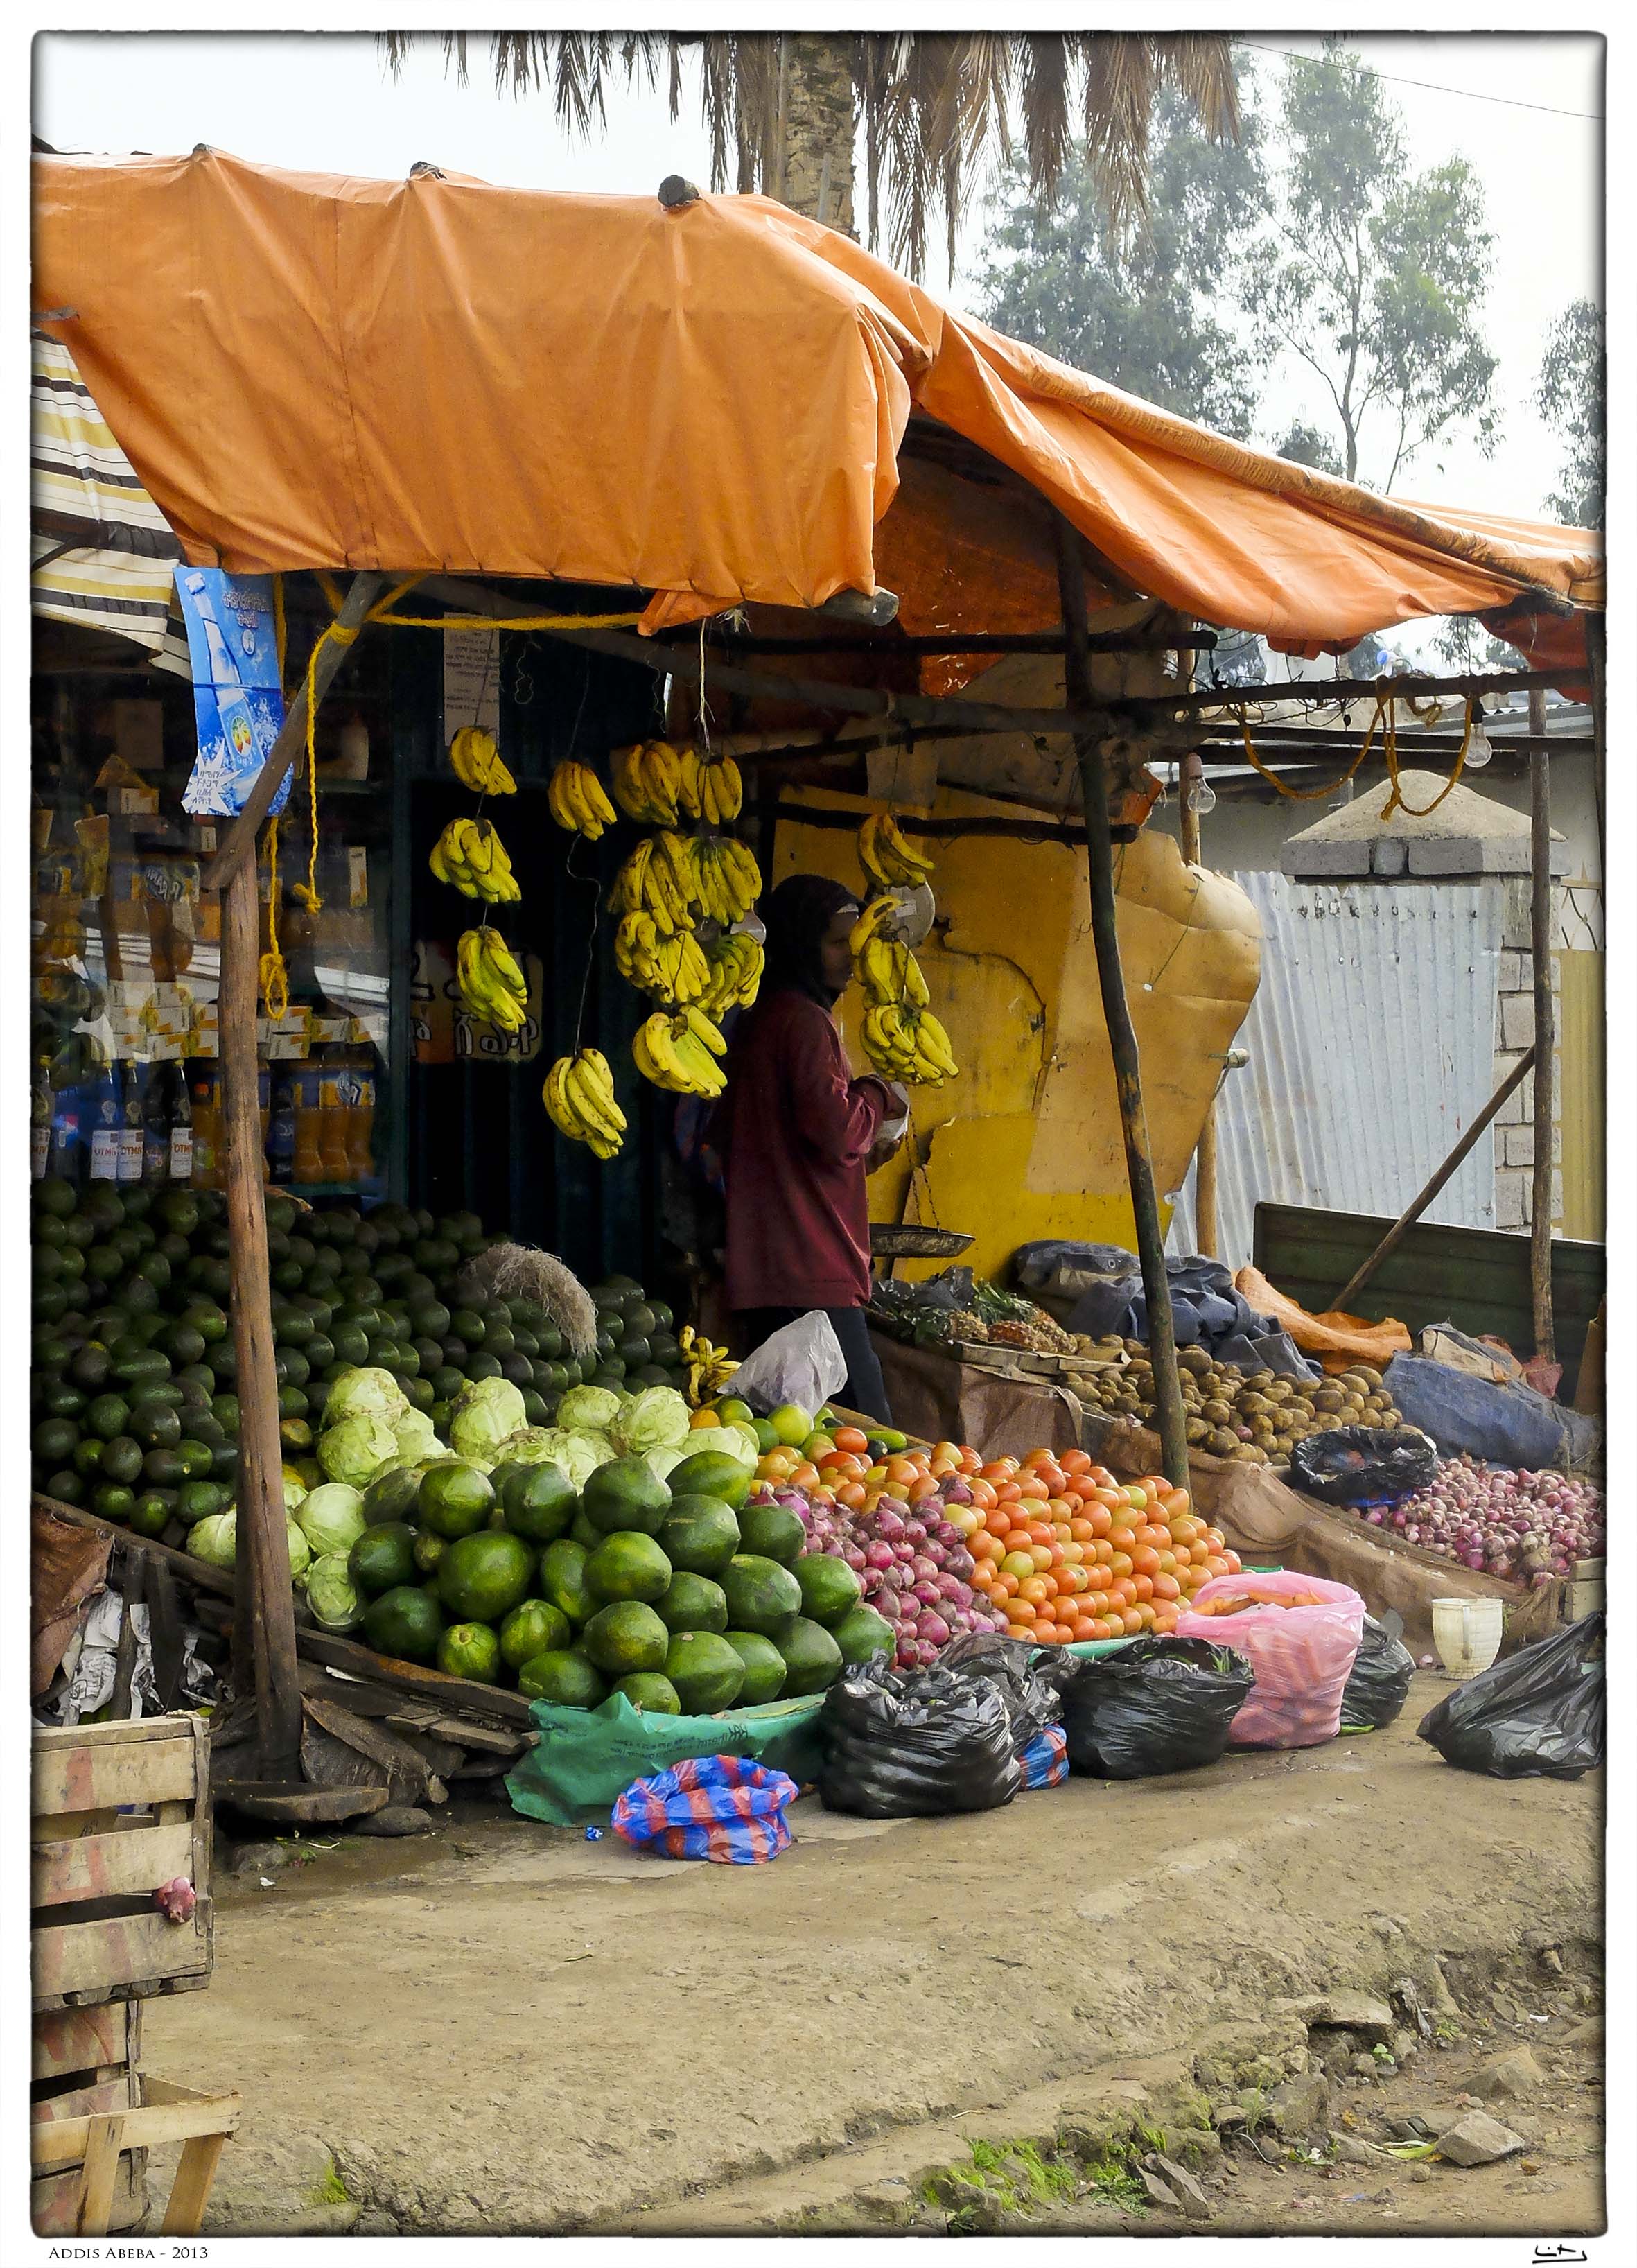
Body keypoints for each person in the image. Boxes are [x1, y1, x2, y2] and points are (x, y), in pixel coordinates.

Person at [708, 873, 906, 1423]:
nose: (850, 958)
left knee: (794, 1430)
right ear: (800, 943)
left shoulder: (762, 1021)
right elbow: (839, 1130)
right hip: (811, 1261)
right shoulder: (804, 1022)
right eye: (836, 942)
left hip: (769, 1261)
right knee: (868, 1434)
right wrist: (877, 1092)